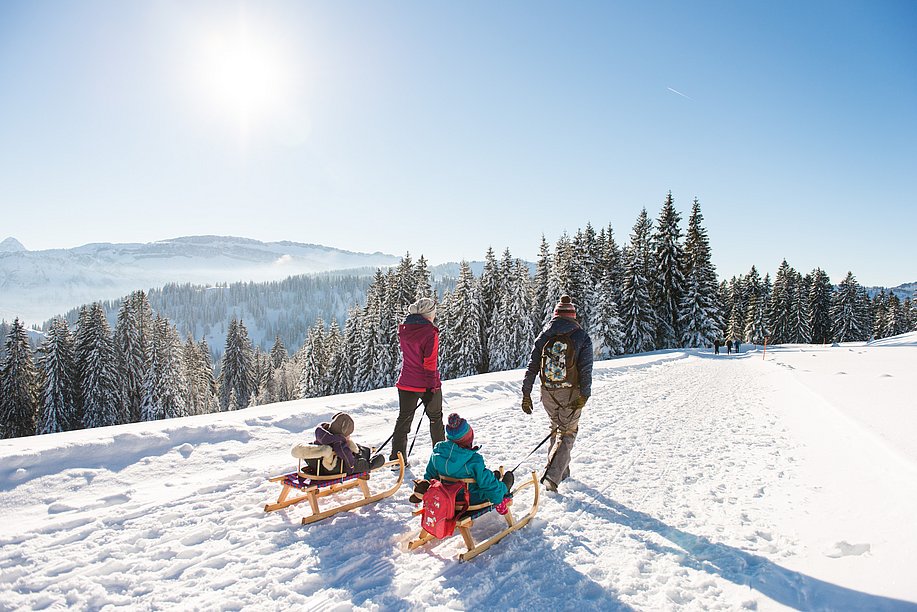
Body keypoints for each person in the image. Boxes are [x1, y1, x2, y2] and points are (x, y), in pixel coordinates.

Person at [521, 295, 594, 493]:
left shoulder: (544, 336)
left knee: (556, 428)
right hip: (570, 392)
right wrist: (584, 394)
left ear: (555, 315)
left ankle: (562, 472)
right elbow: (586, 369)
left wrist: (526, 393)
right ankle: (552, 477)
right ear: (573, 316)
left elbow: (532, 367)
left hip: (548, 393)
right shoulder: (581, 337)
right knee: (568, 432)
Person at [410, 413, 513, 514]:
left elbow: (430, 476)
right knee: (507, 477)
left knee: (489, 476)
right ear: (468, 439)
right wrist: (500, 496)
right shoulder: (474, 460)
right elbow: (488, 484)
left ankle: (495, 477)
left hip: (445, 498)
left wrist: (424, 493)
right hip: (469, 501)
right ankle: (503, 490)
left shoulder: (438, 453)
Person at [390, 297, 446, 463]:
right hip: (426, 384)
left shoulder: (405, 330)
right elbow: (429, 362)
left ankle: (396, 460)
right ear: (429, 314)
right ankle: (441, 459)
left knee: (404, 420)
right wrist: (430, 388)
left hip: (406, 382)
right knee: (436, 419)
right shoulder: (431, 333)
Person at [294, 412, 385, 476]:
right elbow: (346, 456)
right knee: (362, 464)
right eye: (348, 434)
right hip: (333, 468)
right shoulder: (338, 442)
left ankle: (366, 452)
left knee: (354, 446)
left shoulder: (323, 434)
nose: (349, 436)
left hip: (318, 465)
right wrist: (352, 466)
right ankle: (376, 460)